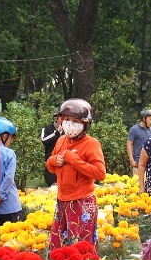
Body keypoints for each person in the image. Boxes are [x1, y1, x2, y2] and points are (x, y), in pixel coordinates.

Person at [46, 98, 106, 249]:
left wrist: (74, 160)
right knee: (58, 246)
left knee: (80, 248)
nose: (70, 124)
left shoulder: (91, 144)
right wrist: (53, 161)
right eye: (67, 119)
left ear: (85, 124)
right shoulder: (61, 141)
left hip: (82, 203)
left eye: (75, 121)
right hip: (62, 202)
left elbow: (100, 173)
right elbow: (50, 166)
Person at [0, 117, 23, 225]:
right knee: (11, 240)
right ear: (5, 136)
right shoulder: (9, 153)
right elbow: (9, 178)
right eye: (11, 138)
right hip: (9, 207)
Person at [127, 108, 151, 174]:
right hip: (138, 162)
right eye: (150, 119)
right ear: (143, 119)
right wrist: (131, 160)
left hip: (150, 162)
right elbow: (129, 144)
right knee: (137, 183)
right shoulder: (134, 129)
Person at [41, 107, 62, 186]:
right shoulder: (47, 129)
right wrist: (57, 133)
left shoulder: (68, 130)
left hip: (64, 164)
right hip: (51, 163)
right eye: (59, 116)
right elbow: (44, 140)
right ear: (55, 118)